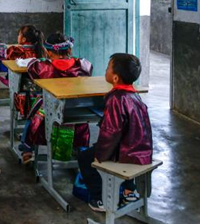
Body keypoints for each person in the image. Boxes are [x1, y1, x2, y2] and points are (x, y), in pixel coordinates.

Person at [77, 53, 151, 212]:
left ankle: (99, 198)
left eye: (107, 68)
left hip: (125, 153)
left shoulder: (116, 99)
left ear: (115, 78)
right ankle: (129, 191)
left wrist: (101, 154)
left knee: (85, 157)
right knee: (102, 149)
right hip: (141, 151)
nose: (105, 70)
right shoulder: (135, 95)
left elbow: (111, 132)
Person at [20, 33, 93, 164]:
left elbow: (31, 68)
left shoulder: (42, 67)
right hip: (77, 111)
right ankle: (83, 151)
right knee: (83, 124)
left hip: (50, 112)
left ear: (48, 52)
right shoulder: (83, 65)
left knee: (34, 113)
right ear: (69, 50)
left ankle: (27, 149)